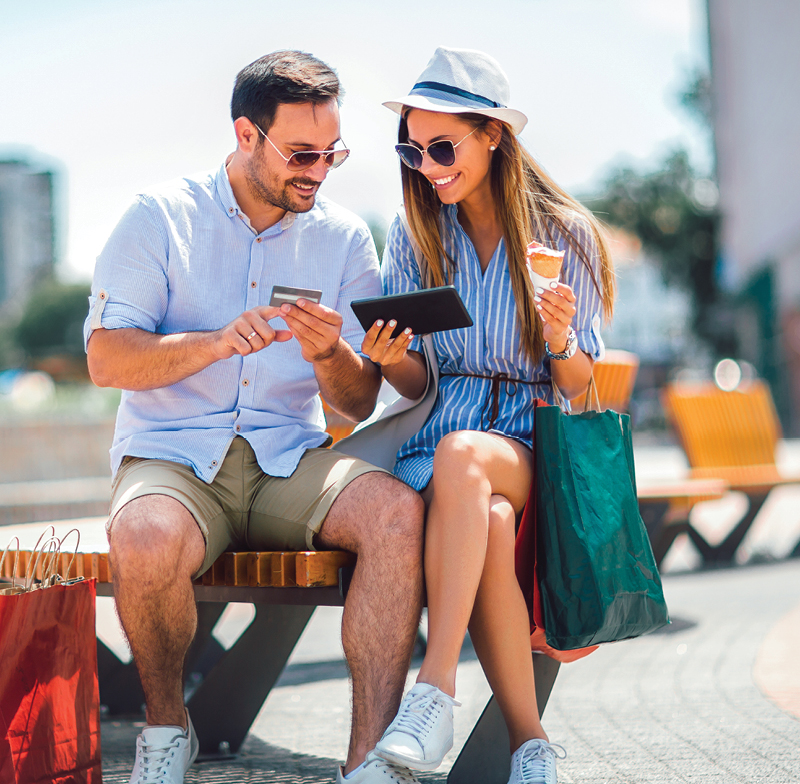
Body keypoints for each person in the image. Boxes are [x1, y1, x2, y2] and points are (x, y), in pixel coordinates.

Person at [85, 50, 427, 784]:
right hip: (174, 459)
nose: (319, 171)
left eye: (331, 153)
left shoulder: (343, 237)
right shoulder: (157, 219)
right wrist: (213, 343)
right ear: (246, 134)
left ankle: (368, 762)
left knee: (397, 514)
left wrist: (330, 353)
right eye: (302, 154)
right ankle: (168, 729)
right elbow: (108, 360)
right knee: (142, 536)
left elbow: (357, 400)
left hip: (289, 461)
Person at [361, 47, 616, 784]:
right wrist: (389, 355)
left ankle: (434, 689)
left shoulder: (562, 235)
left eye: (443, 147)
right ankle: (529, 747)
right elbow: (414, 385)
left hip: (528, 442)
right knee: (488, 517)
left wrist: (563, 333)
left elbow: (576, 383)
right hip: (439, 441)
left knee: (467, 459)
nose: (427, 164)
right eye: (413, 147)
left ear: (494, 136)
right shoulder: (415, 233)